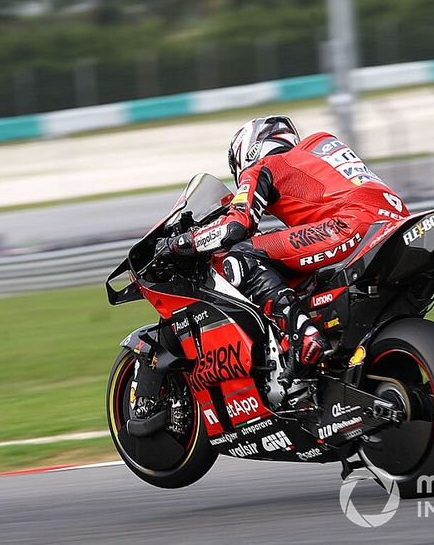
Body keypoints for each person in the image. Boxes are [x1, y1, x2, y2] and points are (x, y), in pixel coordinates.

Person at [162, 116, 409, 404]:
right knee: (279, 251)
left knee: (239, 255)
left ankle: (303, 336)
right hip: (394, 223)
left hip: (350, 225)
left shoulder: (262, 167)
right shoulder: (321, 148)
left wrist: (183, 243)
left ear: (248, 151)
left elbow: (235, 227)